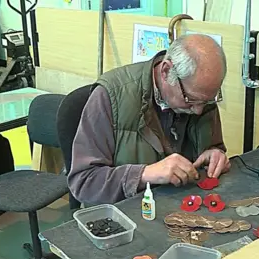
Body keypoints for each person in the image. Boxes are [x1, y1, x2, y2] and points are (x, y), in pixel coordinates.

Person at [68, 34, 230, 205]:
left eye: (207, 101)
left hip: (184, 208)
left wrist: (215, 154)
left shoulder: (199, 95)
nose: (199, 111)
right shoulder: (110, 96)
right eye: (190, 100)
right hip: (128, 215)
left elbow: (213, 145)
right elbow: (84, 182)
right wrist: (145, 174)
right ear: (166, 71)